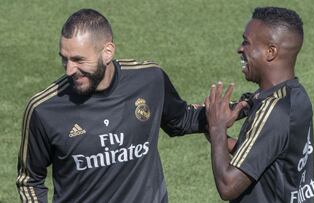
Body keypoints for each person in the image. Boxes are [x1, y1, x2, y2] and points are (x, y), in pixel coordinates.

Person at [16, 8, 207, 203]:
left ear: (107, 52)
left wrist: (237, 107)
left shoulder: (149, 80)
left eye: (78, 60)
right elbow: (29, 180)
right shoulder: (44, 109)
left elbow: (182, 120)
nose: (70, 70)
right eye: (64, 59)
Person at [204, 7, 314, 203]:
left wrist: (217, 127)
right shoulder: (296, 95)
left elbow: (228, 186)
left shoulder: (273, 109)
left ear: (270, 51)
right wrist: (214, 134)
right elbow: (261, 153)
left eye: (246, 42)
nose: (240, 49)